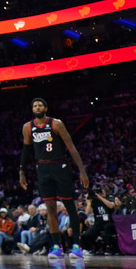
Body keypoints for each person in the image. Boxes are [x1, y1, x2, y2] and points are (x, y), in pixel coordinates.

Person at [19, 97, 89, 260]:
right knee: (50, 208)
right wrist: (22, 171)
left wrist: (82, 170)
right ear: (32, 109)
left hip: (60, 166)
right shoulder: (28, 127)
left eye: (40, 105)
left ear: (46, 108)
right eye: (35, 105)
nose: (37, 107)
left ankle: (76, 246)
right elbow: (26, 150)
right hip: (42, 168)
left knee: (70, 206)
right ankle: (56, 246)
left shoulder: (56, 124)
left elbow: (71, 147)